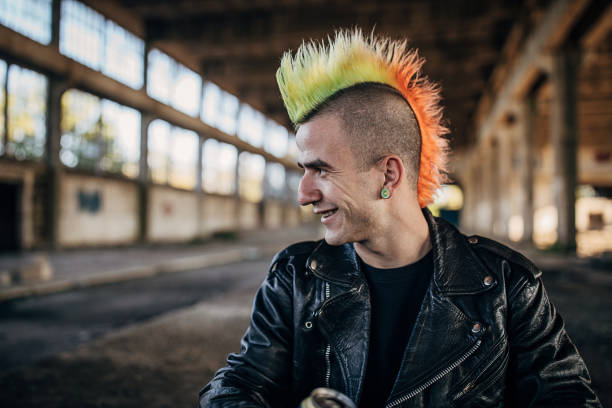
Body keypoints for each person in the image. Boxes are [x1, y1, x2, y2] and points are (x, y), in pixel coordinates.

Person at [199, 29, 601, 408]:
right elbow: (239, 384)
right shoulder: (295, 277)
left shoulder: (509, 288)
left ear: (388, 174)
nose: (304, 194)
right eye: (303, 171)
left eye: (321, 170)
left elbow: (567, 396)